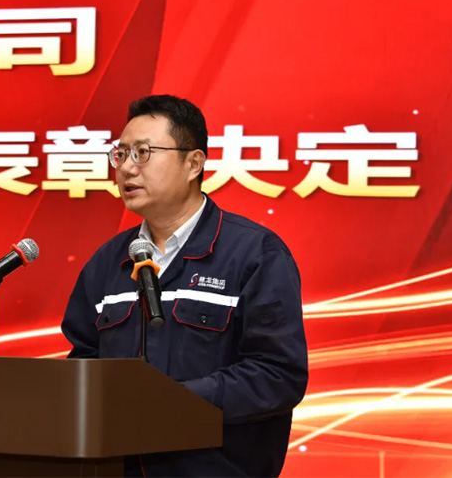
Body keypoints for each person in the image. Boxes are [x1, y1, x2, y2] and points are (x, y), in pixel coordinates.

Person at [61, 95, 308, 477]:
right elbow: (84, 365)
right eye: (120, 154)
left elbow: (277, 375)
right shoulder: (107, 263)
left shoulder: (254, 254)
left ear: (193, 163)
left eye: (143, 153)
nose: (126, 167)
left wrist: (174, 402)